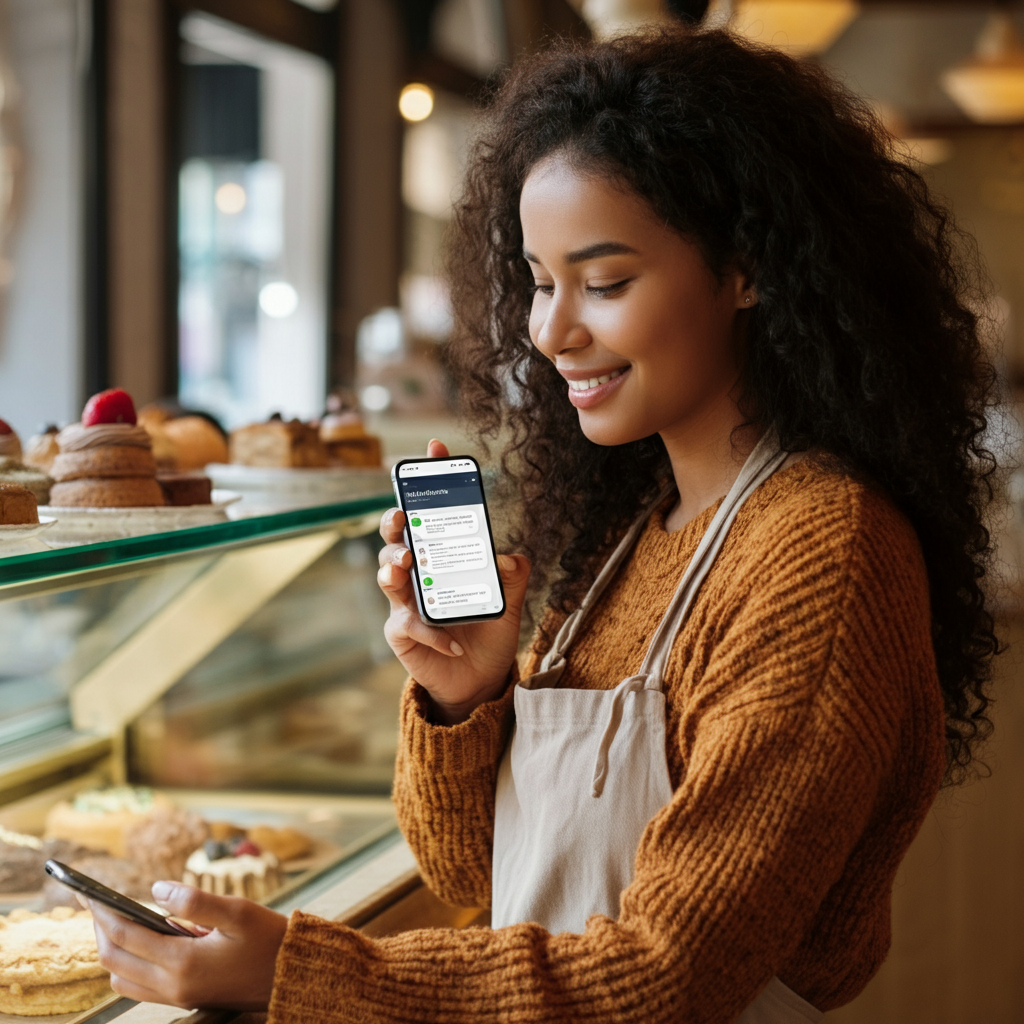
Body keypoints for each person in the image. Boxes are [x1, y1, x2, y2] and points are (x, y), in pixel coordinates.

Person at [87, 26, 1000, 1023]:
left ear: (749, 268)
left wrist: (302, 974)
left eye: (603, 282)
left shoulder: (826, 555)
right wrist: (464, 698)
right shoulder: (628, 532)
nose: (548, 330)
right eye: (539, 278)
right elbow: (479, 874)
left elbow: (665, 979)